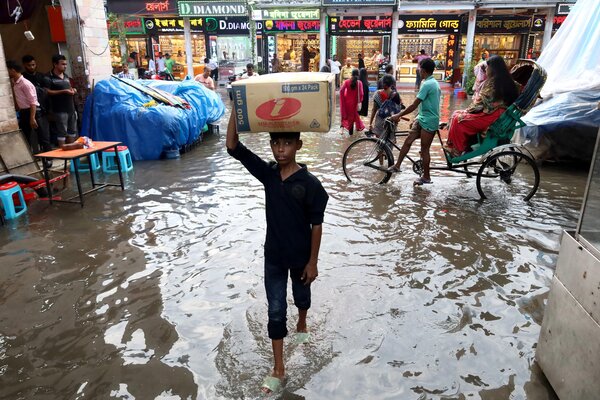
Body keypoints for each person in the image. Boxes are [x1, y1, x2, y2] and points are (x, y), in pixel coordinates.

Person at [225, 110, 328, 395]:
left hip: (300, 257)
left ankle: (303, 323)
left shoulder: (310, 185)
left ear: (298, 145)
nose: (280, 149)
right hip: (273, 256)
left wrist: (313, 262)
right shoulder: (269, 175)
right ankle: (279, 368)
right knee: (275, 310)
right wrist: (238, 106)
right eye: (275, 144)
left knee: (302, 297)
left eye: (286, 143)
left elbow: (316, 225)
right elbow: (233, 146)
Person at [445, 55, 519, 157]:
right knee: (456, 114)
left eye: (488, 67)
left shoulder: (494, 83)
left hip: (492, 115)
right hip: (495, 113)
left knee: (459, 119)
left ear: (493, 68)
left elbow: (481, 103)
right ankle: (455, 146)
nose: (486, 70)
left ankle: (457, 149)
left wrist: (468, 111)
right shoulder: (503, 81)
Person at [387, 58, 440, 186]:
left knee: (424, 149)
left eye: (420, 68)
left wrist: (398, 115)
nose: (418, 70)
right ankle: (397, 165)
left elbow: (414, 105)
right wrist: (416, 117)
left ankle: (426, 176)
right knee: (408, 141)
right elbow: (424, 104)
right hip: (422, 118)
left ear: (424, 70)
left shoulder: (428, 84)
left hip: (429, 121)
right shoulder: (428, 82)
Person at [7, 60, 52, 156]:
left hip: (33, 111)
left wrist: (32, 118)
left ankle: (49, 159)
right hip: (23, 112)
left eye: (8, 70)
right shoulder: (14, 82)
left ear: (12, 70)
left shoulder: (25, 83)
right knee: (25, 137)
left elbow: (33, 102)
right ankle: (29, 158)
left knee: (43, 136)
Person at [45, 54, 78, 144]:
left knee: (72, 131)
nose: (65, 66)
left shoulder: (66, 76)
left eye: (66, 64)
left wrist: (73, 90)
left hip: (71, 108)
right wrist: (64, 91)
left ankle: (72, 154)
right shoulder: (48, 77)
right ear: (55, 64)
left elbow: (69, 88)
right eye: (63, 64)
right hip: (59, 110)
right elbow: (47, 92)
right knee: (62, 132)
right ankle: (63, 155)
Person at [368, 74, 402, 142]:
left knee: (380, 145)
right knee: (389, 145)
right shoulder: (396, 95)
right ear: (392, 83)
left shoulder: (377, 94)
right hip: (391, 122)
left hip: (380, 123)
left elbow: (374, 110)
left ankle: (380, 152)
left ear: (382, 82)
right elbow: (399, 110)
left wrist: (370, 123)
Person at [339, 68, 365, 136]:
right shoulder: (359, 83)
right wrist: (360, 100)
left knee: (350, 118)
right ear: (358, 75)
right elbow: (361, 94)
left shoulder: (347, 81)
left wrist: (344, 98)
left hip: (347, 103)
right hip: (355, 104)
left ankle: (350, 134)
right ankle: (353, 137)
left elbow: (341, 90)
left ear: (351, 74)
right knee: (354, 117)